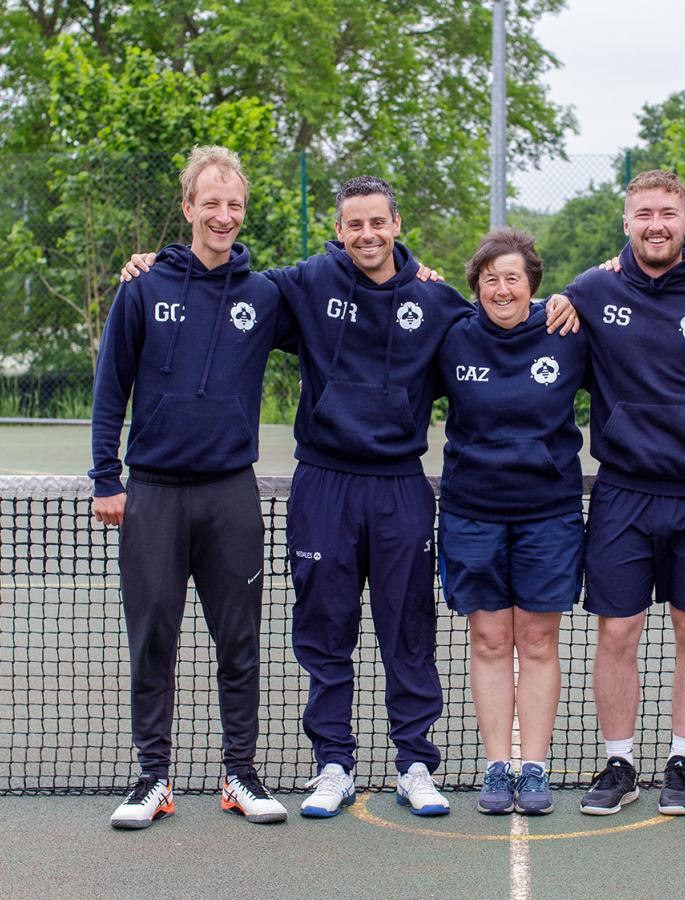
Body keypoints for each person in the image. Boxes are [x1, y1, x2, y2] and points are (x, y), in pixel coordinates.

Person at [121, 176, 470, 818]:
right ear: (338, 231)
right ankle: (332, 764)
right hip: (323, 486)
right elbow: (217, 284)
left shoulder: (438, 300)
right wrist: (155, 263)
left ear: (397, 224)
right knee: (325, 628)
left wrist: (562, 307)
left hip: (400, 487)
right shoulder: (304, 284)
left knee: (409, 630)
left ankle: (415, 763)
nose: (367, 235)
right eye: (353, 224)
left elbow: (497, 340)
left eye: (378, 223)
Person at [90, 146, 295, 829]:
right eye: (211, 202)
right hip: (152, 495)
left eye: (234, 204)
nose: (224, 215)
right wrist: (106, 477)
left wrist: (415, 272)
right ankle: (153, 778)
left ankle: (241, 774)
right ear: (188, 208)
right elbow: (109, 387)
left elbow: (348, 300)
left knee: (238, 642)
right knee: (153, 639)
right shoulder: (142, 288)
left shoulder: (265, 295)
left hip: (230, 496)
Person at [548, 170, 685, 817]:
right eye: (643, 214)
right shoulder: (593, 289)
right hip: (623, 493)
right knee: (618, 633)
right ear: (626, 223)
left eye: (667, 213)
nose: (656, 224)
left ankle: (682, 762)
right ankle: (621, 761)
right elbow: (544, 315)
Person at [433, 228, 588, 816]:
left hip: (548, 513)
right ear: (476, 286)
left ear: (533, 285)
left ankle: (535, 766)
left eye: (513, 278)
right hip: (473, 511)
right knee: (492, 638)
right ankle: (497, 766)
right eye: (490, 278)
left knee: (540, 639)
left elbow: (640, 351)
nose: (502, 288)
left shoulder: (568, 332)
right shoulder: (452, 339)